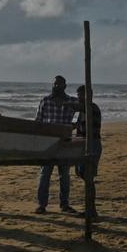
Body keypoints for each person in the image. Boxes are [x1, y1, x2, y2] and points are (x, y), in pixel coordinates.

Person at [34, 75, 78, 213]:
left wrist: (74, 126)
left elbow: (85, 112)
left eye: (59, 85)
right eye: (54, 84)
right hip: (47, 143)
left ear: (64, 86)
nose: (56, 87)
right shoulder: (45, 101)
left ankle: (64, 204)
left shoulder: (72, 101)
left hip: (65, 142)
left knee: (64, 175)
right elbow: (38, 122)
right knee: (45, 174)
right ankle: (42, 204)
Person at [75, 85, 102, 219]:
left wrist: (66, 104)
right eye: (78, 95)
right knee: (83, 175)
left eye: (82, 96)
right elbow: (80, 126)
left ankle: (92, 210)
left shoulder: (92, 108)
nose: (79, 98)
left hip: (93, 145)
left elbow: (79, 107)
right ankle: (89, 208)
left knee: (89, 177)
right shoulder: (83, 111)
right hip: (83, 145)